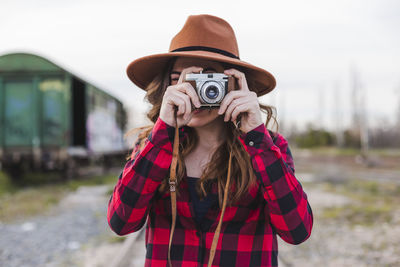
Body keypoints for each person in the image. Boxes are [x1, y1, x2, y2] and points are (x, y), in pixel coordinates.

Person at [107, 14, 313, 267]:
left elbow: (297, 230)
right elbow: (120, 222)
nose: (194, 92)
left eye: (209, 79)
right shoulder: (151, 146)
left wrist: (256, 137)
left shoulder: (268, 146)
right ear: (165, 86)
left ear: (236, 83)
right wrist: (163, 133)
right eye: (183, 79)